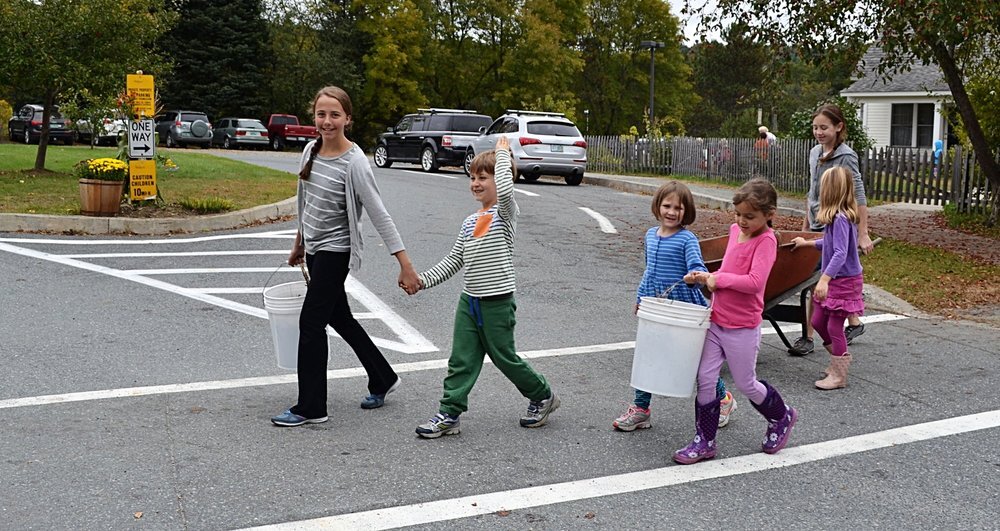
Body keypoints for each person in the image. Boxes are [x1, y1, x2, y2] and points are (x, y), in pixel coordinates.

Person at [271, 86, 420, 427]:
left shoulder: (355, 163)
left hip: (336, 251)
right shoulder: (310, 150)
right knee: (340, 317)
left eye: (335, 115)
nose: (327, 121)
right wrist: (299, 243)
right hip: (314, 248)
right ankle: (383, 377)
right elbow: (305, 202)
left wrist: (405, 264)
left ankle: (312, 407)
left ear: (348, 119)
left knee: (311, 323)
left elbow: (380, 214)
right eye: (321, 114)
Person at [410, 137, 558, 438]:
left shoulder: (505, 213)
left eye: (482, 178)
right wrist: (422, 281)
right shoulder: (470, 221)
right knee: (461, 360)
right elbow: (454, 260)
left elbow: (505, 188)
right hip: (470, 301)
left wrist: (502, 155)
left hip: (497, 301)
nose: (476, 183)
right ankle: (449, 413)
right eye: (472, 178)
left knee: (505, 358)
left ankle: (542, 395)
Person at [674, 179, 797, 464]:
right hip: (716, 321)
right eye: (738, 214)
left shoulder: (766, 241)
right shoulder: (734, 231)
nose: (741, 221)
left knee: (746, 383)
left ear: (769, 214)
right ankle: (704, 440)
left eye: (749, 216)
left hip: (742, 327)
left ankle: (781, 416)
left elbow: (754, 283)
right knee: (705, 378)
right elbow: (728, 269)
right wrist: (705, 277)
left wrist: (718, 280)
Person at [613, 181, 737, 432]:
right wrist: (640, 298)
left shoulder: (686, 239)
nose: (671, 212)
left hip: (684, 310)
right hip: (656, 308)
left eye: (678, 208)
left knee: (693, 361)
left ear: (686, 211)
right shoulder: (650, 235)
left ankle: (723, 398)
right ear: (657, 206)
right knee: (649, 356)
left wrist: (696, 276)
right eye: (667, 206)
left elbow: (698, 267)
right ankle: (641, 409)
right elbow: (649, 272)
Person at [788, 103, 874, 356]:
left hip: (834, 223)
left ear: (839, 127)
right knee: (822, 281)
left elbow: (858, 194)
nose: (819, 132)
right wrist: (806, 225)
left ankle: (809, 337)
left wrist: (863, 233)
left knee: (817, 282)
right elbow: (812, 191)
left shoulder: (846, 156)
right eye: (815, 127)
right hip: (818, 222)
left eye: (824, 127)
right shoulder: (815, 152)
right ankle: (853, 323)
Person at [792, 167, 865, 390]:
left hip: (844, 282)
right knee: (817, 321)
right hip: (836, 280)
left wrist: (823, 279)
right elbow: (830, 243)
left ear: (830, 191)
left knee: (834, 326)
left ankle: (839, 375)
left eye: (823, 188)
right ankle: (838, 361)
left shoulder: (841, 219)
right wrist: (807, 243)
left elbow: (840, 253)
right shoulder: (835, 219)